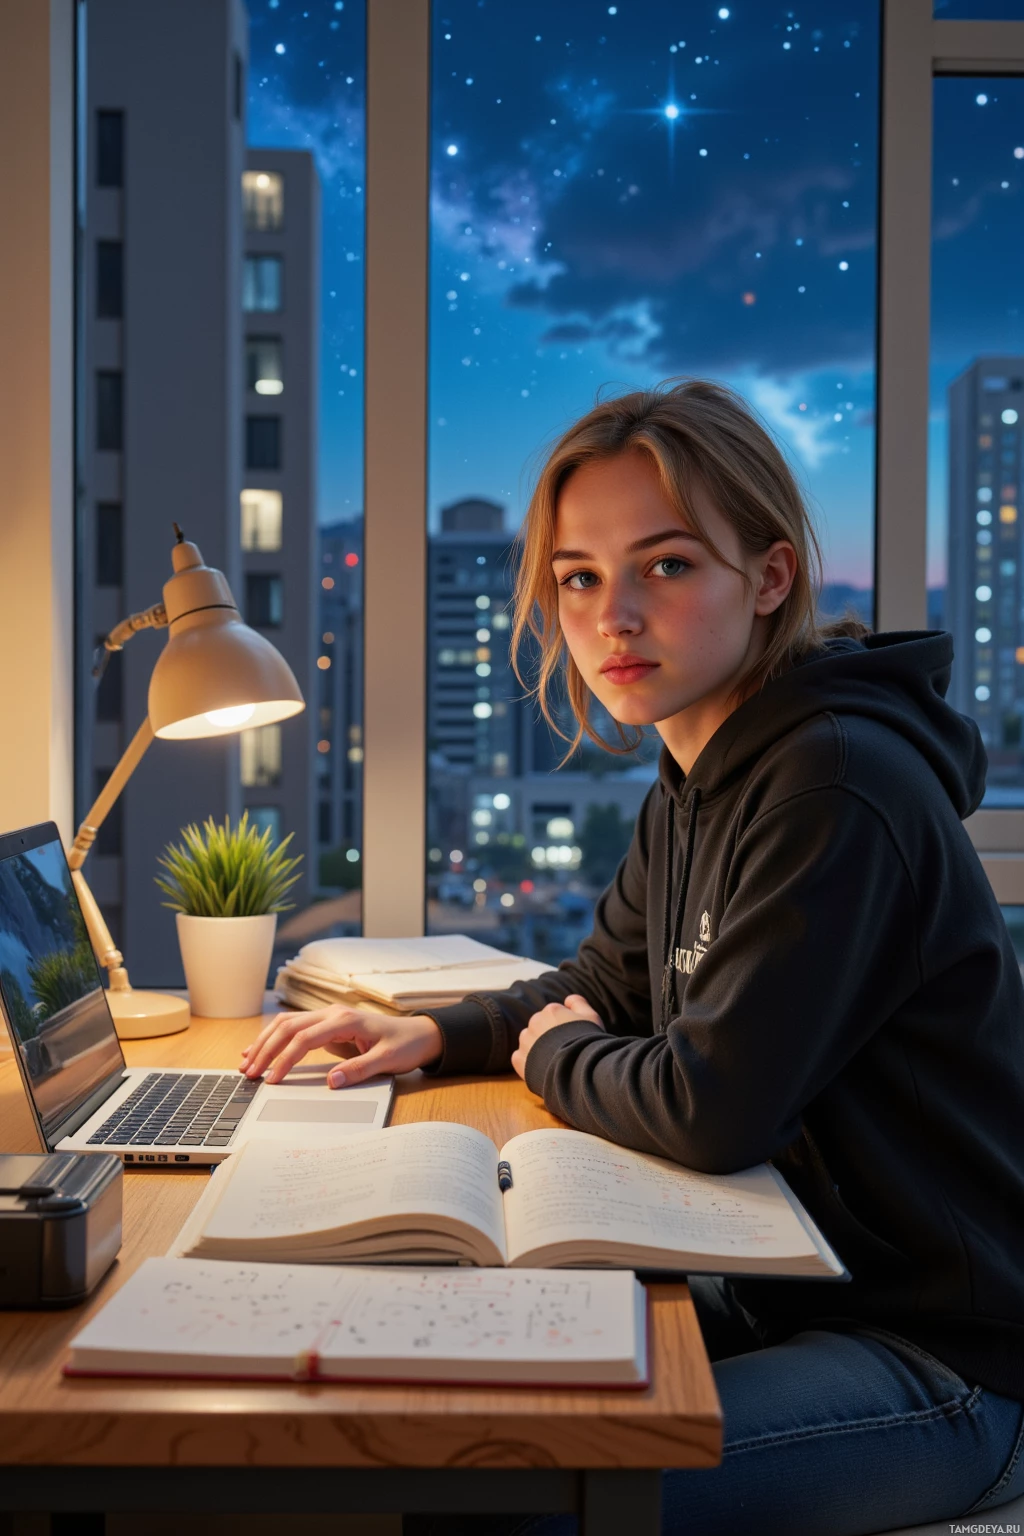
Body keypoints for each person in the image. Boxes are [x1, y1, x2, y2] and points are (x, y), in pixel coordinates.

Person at [241, 379, 1024, 1535]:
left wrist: (554, 1057)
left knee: (512, 1501)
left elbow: (711, 1108)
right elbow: (604, 984)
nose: (613, 616)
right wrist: (438, 1032)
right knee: (410, 1393)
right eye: (578, 576)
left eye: (665, 566)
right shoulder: (699, 764)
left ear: (768, 579)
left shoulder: (837, 785)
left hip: (942, 1356)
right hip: (777, 1285)